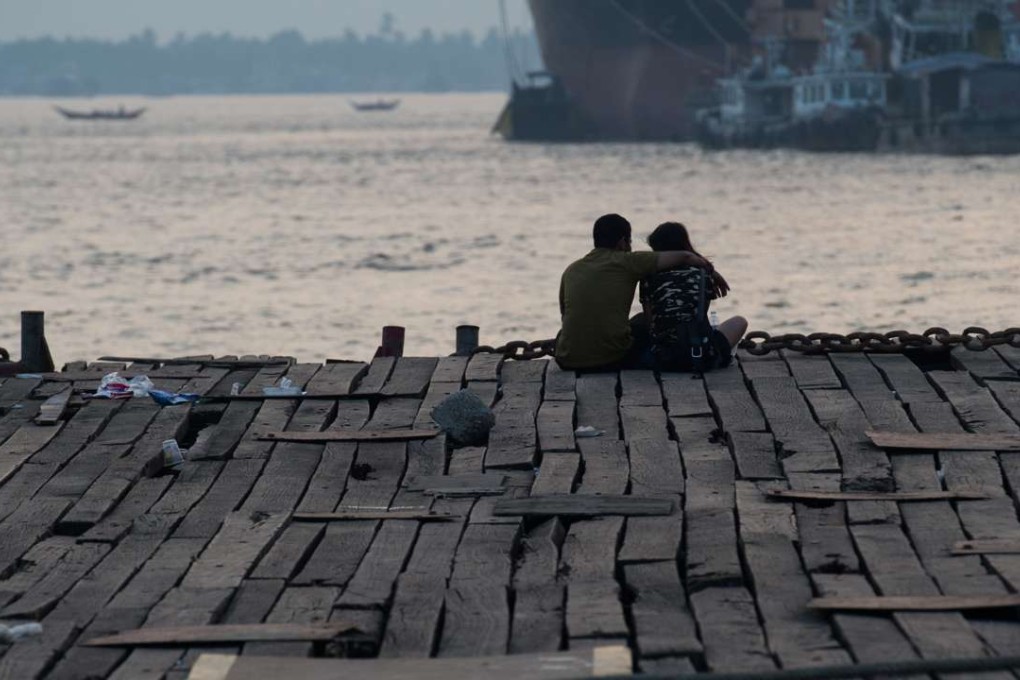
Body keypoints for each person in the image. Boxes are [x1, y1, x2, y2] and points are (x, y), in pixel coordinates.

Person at [555, 214, 725, 371]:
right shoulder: (628, 261)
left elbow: (565, 314)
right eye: (629, 243)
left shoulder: (572, 269)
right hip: (611, 359)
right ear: (622, 242)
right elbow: (685, 257)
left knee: (638, 320)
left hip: (567, 360)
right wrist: (709, 270)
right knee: (642, 324)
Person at [640, 221, 747, 372]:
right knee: (739, 322)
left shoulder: (648, 276)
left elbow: (649, 321)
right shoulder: (702, 274)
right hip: (699, 353)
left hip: (664, 357)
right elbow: (700, 317)